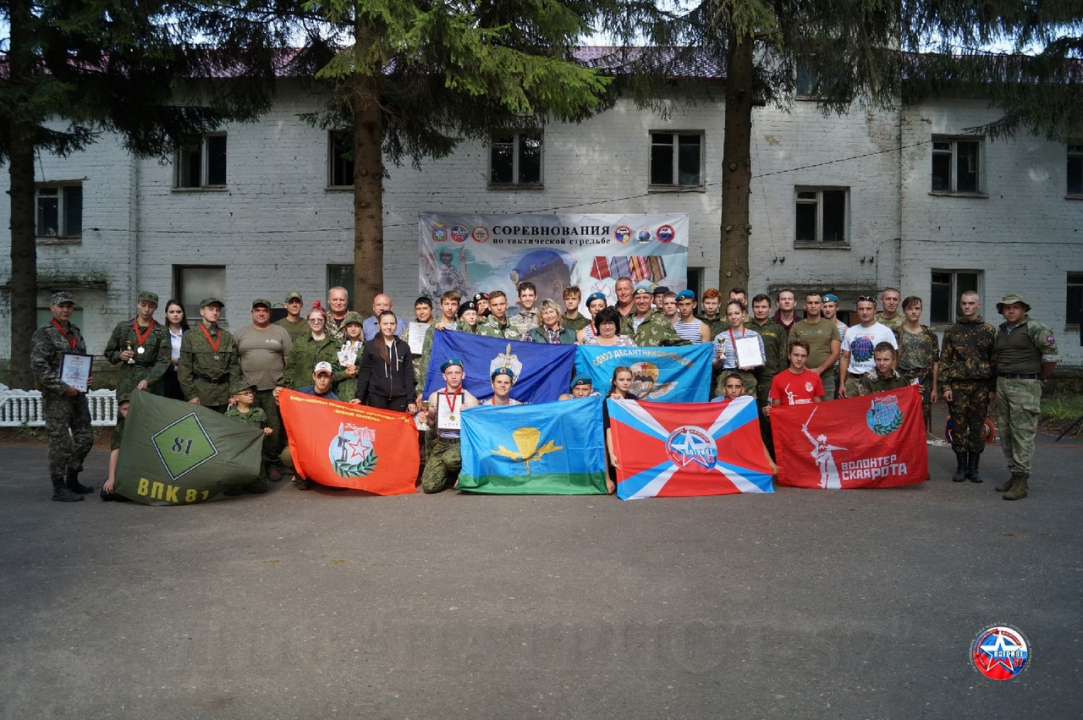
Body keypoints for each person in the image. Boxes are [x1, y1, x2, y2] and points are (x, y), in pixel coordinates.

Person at [992, 293, 1058, 501]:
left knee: (1022, 432)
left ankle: (1022, 480)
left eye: (1016, 307)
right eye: (1007, 308)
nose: (1011, 311)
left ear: (1023, 310)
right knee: (1006, 431)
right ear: (1002, 311)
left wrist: (1039, 376)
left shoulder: (1036, 328)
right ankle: (1014, 474)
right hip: (1003, 383)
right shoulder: (1001, 331)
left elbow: (1050, 357)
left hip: (1025, 384)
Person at [31, 291, 95, 501]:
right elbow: (39, 367)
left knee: (85, 437)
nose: (65, 310)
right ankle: (59, 487)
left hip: (77, 394)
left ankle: (72, 478)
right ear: (52, 307)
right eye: (61, 306)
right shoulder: (44, 333)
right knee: (61, 442)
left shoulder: (75, 331)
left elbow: (80, 361)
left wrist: (85, 379)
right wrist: (62, 386)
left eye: (69, 306)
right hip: (57, 397)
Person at [940, 291, 996, 483]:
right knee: (959, 426)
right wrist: (945, 386)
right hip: (957, 386)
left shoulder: (989, 330)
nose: (967, 307)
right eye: (964, 303)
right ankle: (961, 467)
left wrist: (992, 388)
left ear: (978, 305)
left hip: (981, 387)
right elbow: (945, 360)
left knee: (977, 426)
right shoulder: (952, 331)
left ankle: (974, 468)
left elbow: (994, 360)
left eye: (971, 303)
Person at [234, 298, 292, 481]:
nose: (261, 313)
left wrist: (285, 387)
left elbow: (289, 361)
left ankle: (273, 464)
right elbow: (232, 363)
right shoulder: (241, 333)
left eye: (264, 310)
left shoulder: (280, 332)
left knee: (273, 430)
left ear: (270, 313)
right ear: (252, 313)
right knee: (249, 429)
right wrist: (235, 390)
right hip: (247, 391)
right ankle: (252, 465)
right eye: (257, 310)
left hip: (274, 390)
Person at [421, 358, 478, 493]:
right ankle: (450, 474)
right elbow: (432, 423)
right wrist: (425, 418)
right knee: (429, 487)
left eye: (457, 373)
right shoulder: (435, 396)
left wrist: (467, 415)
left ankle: (465, 472)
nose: (453, 376)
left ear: (463, 375)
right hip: (441, 443)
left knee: (451, 459)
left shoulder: (471, 400)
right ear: (444, 376)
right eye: (450, 373)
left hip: (461, 443)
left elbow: (474, 430)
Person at [104, 290, 171, 400]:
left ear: (156, 307)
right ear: (137, 304)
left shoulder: (162, 332)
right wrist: (119, 355)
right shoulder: (123, 328)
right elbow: (109, 352)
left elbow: (164, 361)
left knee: (151, 416)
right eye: (143, 305)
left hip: (152, 384)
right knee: (126, 415)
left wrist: (148, 380)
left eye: (151, 306)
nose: (146, 310)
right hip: (127, 381)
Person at [178, 297, 241, 413]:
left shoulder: (227, 337)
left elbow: (234, 368)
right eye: (211, 309)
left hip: (223, 394)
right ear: (202, 311)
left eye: (217, 310)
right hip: (201, 394)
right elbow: (184, 369)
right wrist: (190, 395)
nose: (215, 312)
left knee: (222, 428)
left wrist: (234, 393)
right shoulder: (190, 336)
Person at [893, 296, 940, 434]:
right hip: (902, 380)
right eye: (910, 308)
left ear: (921, 311)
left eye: (917, 308)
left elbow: (935, 363)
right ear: (904, 312)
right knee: (900, 420)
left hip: (923, 381)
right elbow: (891, 360)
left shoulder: (929, 335)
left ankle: (919, 454)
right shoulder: (896, 333)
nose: (913, 312)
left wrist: (934, 388)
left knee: (921, 422)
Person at [354, 311, 416, 413]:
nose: (389, 327)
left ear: (396, 325)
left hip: (400, 397)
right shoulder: (370, 346)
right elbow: (365, 372)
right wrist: (359, 396)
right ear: (379, 325)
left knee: (396, 428)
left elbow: (408, 374)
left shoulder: (403, 347)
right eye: (385, 324)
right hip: (377, 396)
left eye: (392, 324)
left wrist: (411, 400)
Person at [838, 296, 897, 399]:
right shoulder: (850, 331)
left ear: (875, 310)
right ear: (857, 311)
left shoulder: (885, 331)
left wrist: (889, 382)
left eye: (868, 309)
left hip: (876, 380)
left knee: (875, 412)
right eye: (861, 309)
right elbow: (844, 357)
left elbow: (893, 359)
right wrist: (842, 383)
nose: (865, 312)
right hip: (853, 381)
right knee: (851, 413)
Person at [223, 381, 273, 495]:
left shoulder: (259, 412)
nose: (251, 395)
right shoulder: (229, 416)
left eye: (251, 393)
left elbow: (264, 433)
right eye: (246, 393)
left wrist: (267, 433)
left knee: (260, 489)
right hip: (237, 457)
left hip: (254, 456)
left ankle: (249, 481)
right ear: (236, 398)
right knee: (231, 492)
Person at [790, 292, 841, 400]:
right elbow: (790, 353)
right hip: (800, 375)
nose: (813, 305)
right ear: (805, 306)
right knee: (804, 409)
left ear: (821, 306)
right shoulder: (796, 327)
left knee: (826, 412)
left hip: (826, 376)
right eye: (810, 303)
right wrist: (806, 371)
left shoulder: (831, 326)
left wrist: (819, 370)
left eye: (816, 303)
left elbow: (836, 353)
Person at [281, 303, 342, 391]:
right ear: (308, 322)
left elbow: (336, 371)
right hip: (300, 392)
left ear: (325, 321)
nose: (316, 322)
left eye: (320, 320)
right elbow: (290, 368)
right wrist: (291, 388)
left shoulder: (334, 344)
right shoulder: (299, 342)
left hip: (324, 394)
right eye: (312, 320)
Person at [712, 300, 765, 398]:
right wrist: (720, 359)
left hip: (747, 376)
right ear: (727, 317)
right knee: (724, 409)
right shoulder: (720, 337)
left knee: (747, 409)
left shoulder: (754, 335)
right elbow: (715, 366)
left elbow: (762, 363)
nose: (733, 317)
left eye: (737, 313)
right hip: (726, 375)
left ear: (743, 313)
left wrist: (752, 365)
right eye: (730, 314)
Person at [620, 282, 686, 346]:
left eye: (645, 297)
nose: (642, 301)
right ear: (633, 300)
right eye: (638, 298)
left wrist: (695, 351)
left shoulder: (662, 321)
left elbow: (679, 344)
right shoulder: (627, 323)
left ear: (651, 299)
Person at [768, 339, 824, 413]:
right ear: (789, 355)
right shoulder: (778, 379)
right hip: (789, 421)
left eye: (803, 356)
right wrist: (769, 411)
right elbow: (776, 409)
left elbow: (819, 406)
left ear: (807, 357)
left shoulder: (814, 377)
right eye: (796, 355)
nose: (799, 359)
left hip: (809, 421)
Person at [99, 393, 133, 502]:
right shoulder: (120, 427)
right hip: (125, 468)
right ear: (119, 410)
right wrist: (111, 478)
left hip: (140, 468)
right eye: (125, 409)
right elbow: (115, 451)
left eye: (131, 408)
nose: (128, 412)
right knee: (106, 494)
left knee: (121, 495)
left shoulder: (145, 423)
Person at [820, 293, 847, 399]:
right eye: (825, 306)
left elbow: (846, 355)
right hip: (821, 368)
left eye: (830, 306)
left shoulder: (845, 329)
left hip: (837, 369)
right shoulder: (818, 327)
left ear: (837, 308)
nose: (827, 309)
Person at [162, 299, 190, 401]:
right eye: (172, 312)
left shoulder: (190, 334)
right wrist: (172, 367)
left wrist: (178, 362)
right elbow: (158, 357)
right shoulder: (161, 334)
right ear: (166, 314)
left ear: (183, 314)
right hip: (168, 377)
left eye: (178, 312)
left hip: (187, 378)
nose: (175, 315)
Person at [335, 312, 365, 401]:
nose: (353, 329)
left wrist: (357, 370)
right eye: (350, 326)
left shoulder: (368, 349)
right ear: (345, 329)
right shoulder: (338, 348)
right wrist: (345, 373)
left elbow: (372, 371)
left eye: (356, 326)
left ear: (361, 328)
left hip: (360, 396)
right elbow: (332, 373)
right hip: (340, 395)